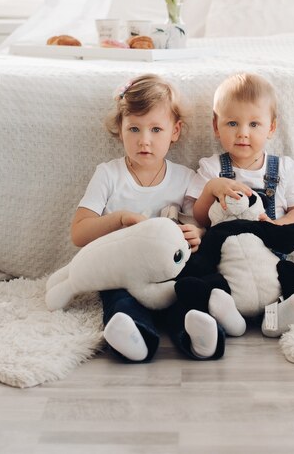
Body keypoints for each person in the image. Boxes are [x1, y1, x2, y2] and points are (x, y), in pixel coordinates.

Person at [70, 73, 238, 362]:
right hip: (122, 273)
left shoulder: (185, 178)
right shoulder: (109, 175)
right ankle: (134, 336)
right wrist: (119, 219)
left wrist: (197, 234)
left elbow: (199, 223)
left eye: (156, 129)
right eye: (134, 128)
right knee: (120, 299)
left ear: (175, 131)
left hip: (168, 276)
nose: (144, 140)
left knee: (185, 295)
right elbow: (79, 233)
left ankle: (198, 335)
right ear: (120, 130)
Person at [186, 72, 294, 337]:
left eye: (254, 124)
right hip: (229, 268)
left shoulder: (283, 168)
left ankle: (279, 317)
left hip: (269, 268)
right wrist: (211, 189)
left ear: (271, 127)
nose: (243, 134)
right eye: (232, 123)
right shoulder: (212, 167)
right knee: (213, 285)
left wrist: (278, 225)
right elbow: (199, 217)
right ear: (216, 125)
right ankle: (229, 316)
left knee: (289, 277)